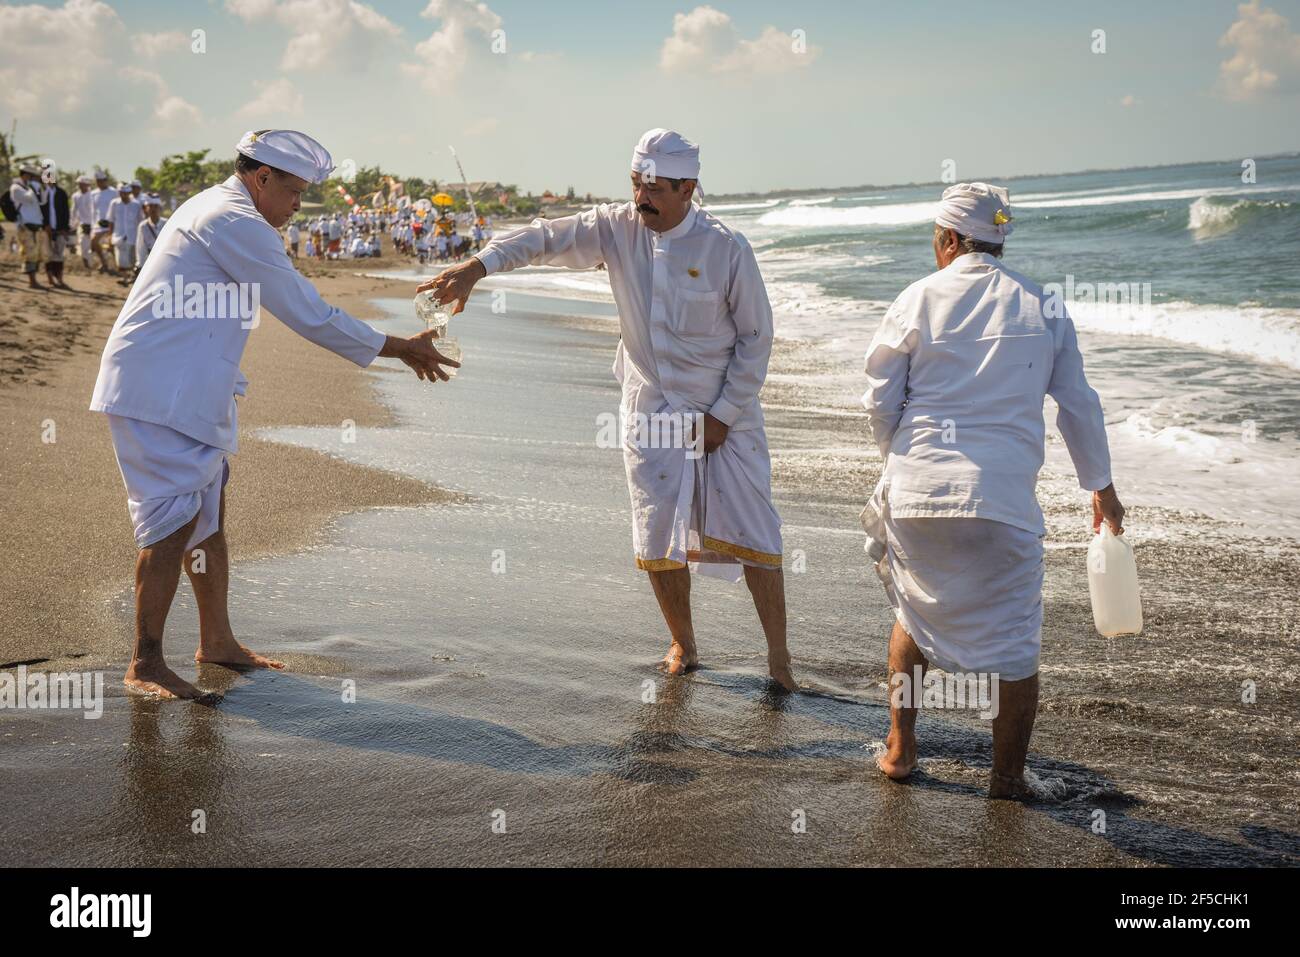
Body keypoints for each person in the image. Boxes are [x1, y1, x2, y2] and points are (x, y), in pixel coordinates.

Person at [89, 129, 459, 700]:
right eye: (295, 191)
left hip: (188, 388)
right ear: (262, 177)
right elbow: (305, 310)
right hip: (158, 390)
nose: (299, 205)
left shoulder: (222, 209)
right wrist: (399, 346)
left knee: (205, 514)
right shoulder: (234, 221)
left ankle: (217, 642)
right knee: (172, 523)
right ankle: (145, 663)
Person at [423, 128, 797, 690]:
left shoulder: (726, 248)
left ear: (688, 188)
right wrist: (478, 267)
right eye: (636, 184)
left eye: (655, 189)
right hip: (649, 403)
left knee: (756, 531)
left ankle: (779, 661)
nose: (642, 198)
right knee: (654, 529)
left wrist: (723, 414)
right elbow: (545, 237)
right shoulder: (616, 228)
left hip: (725, 409)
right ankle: (683, 643)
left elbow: (756, 338)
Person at [861, 182, 1124, 798]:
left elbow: (877, 396)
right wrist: (1101, 488)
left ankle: (900, 751)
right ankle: (1006, 778)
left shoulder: (917, 297)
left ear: (949, 239)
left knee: (911, 614)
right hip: (1001, 501)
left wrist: (899, 459)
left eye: (935, 238)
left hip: (916, 492)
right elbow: (1078, 405)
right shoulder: (1044, 304)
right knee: (1014, 639)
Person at [8, 163, 46, 289]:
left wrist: (40, 187)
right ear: (25, 175)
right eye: (33, 176)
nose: (34, 179)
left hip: (35, 224)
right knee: (29, 253)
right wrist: (34, 186)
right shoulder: (16, 188)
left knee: (36, 253)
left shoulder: (29, 187)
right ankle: (32, 281)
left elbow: (43, 200)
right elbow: (28, 199)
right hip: (25, 225)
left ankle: (34, 280)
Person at [39, 162, 71, 289]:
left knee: (59, 255)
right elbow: (40, 211)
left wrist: (64, 228)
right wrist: (45, 225)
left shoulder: (61, 193)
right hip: (46, 229)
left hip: (60, 230)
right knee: (48, 255)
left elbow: (65, 212)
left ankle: (60, 278)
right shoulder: (41, 193)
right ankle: (50, 279)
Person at [107, 182, 142, 282]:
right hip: (118, 236)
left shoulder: (136, 204)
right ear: (119, 192)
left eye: (126, 193)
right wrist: (109, 236)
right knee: (120, 260)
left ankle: (133, 277)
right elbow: (111, 221)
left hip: (133, 236)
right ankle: (124, 277)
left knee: (133, 259)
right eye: (122, 192)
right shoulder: (114, 203)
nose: (124, 195)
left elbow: (140, 221)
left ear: (129, 192)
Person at [89, 170, 116, 273]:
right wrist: (92, 226)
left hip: (111, 223)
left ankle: (118, 267)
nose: (100, 182)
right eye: (98, 181)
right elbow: (93, 211)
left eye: (102, 180)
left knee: (112, 245)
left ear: (106, 180)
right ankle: (104, 263)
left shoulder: (114, 192)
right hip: (99, 224)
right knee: (94, 242)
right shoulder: (93, 194)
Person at [135, 194, 166, 268]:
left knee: (177, 278)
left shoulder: (167, 223)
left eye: (156, 206)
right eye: (151, 206)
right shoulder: (143, 226)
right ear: (146, 209)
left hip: (165, 259)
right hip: (150, 261)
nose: (153, 209)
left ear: (160, 208)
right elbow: (141, 247)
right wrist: (140, 264)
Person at [71, 174, 95, 269]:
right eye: (80, 184)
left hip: (92, 224)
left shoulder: (92, 195)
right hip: (82, 224)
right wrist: (72, 223)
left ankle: (93, 264)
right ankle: (86, 265)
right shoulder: (76, 196)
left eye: (83, 184)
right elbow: (74, 210)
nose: (81, 186)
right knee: (83, 244)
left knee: (92, 245)